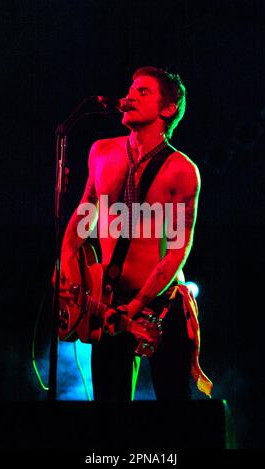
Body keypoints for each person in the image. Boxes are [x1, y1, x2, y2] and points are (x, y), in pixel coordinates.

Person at [59, 66, 210, 401]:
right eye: (131, 89)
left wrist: (140, 303)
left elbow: (177, 250)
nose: (129, 97)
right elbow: (86, 212)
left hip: (161, 306)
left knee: (174, 405)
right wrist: (68, 260)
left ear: (168, 109)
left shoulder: (183, 170)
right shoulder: (101, 151)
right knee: (109, 409)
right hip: (108, 301)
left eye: (143, 92)